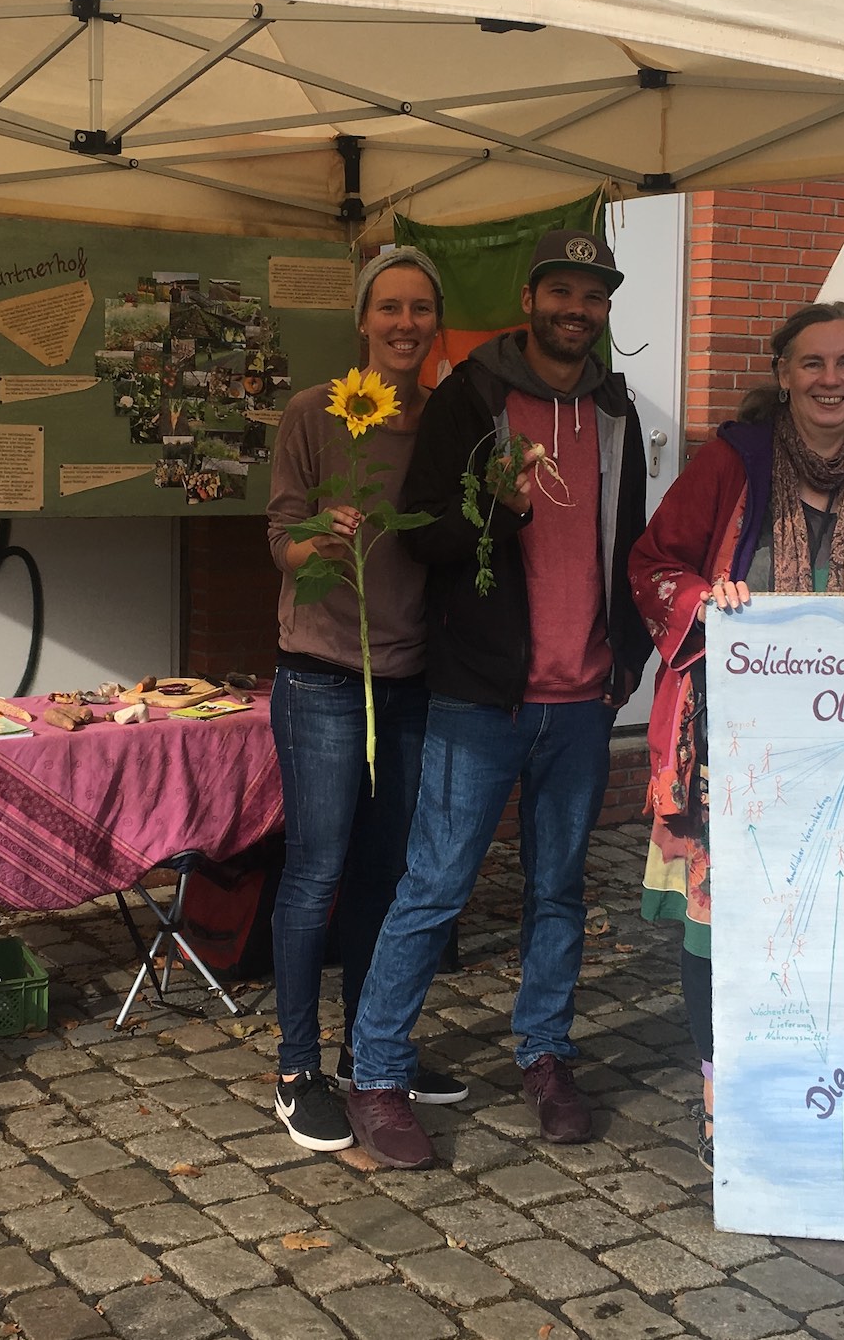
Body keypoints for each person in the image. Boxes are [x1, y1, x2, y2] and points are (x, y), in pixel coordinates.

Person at [343, 228, 652, 1169]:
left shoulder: (614, 407)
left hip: (581, 698)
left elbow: (629, 536)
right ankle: (377, 1073)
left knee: (558, 890)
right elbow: (425, 538)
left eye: (592, 296)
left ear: (603, 309)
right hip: (483, 697)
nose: (576, 309)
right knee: (436, 885)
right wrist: (499, 503)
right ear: (531, 298)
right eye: (561, 291)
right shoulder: (471, 395)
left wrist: (624, 661)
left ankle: (547, 1055)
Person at [628, 302, 844, 1169]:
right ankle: (724, 1094)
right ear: (782, 374)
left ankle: (818, 1074)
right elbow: (654, 562)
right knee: (720, 921)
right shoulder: (734, 462)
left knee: (831, 916)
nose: (830, 379)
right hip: (730, 741)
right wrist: (704, 598)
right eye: (812, 363)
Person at [262, 245, 468, 1154]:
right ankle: (297, 1067)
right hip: (321, 675)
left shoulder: (449, 421)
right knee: (315, 874)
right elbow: (280, 544)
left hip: (413, 679)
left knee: (388, 881)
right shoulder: (314, 415)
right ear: (362, 320)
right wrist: (320, 533)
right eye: (389, 307)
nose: (405, 324)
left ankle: (370, 1053)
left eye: (421, 309)